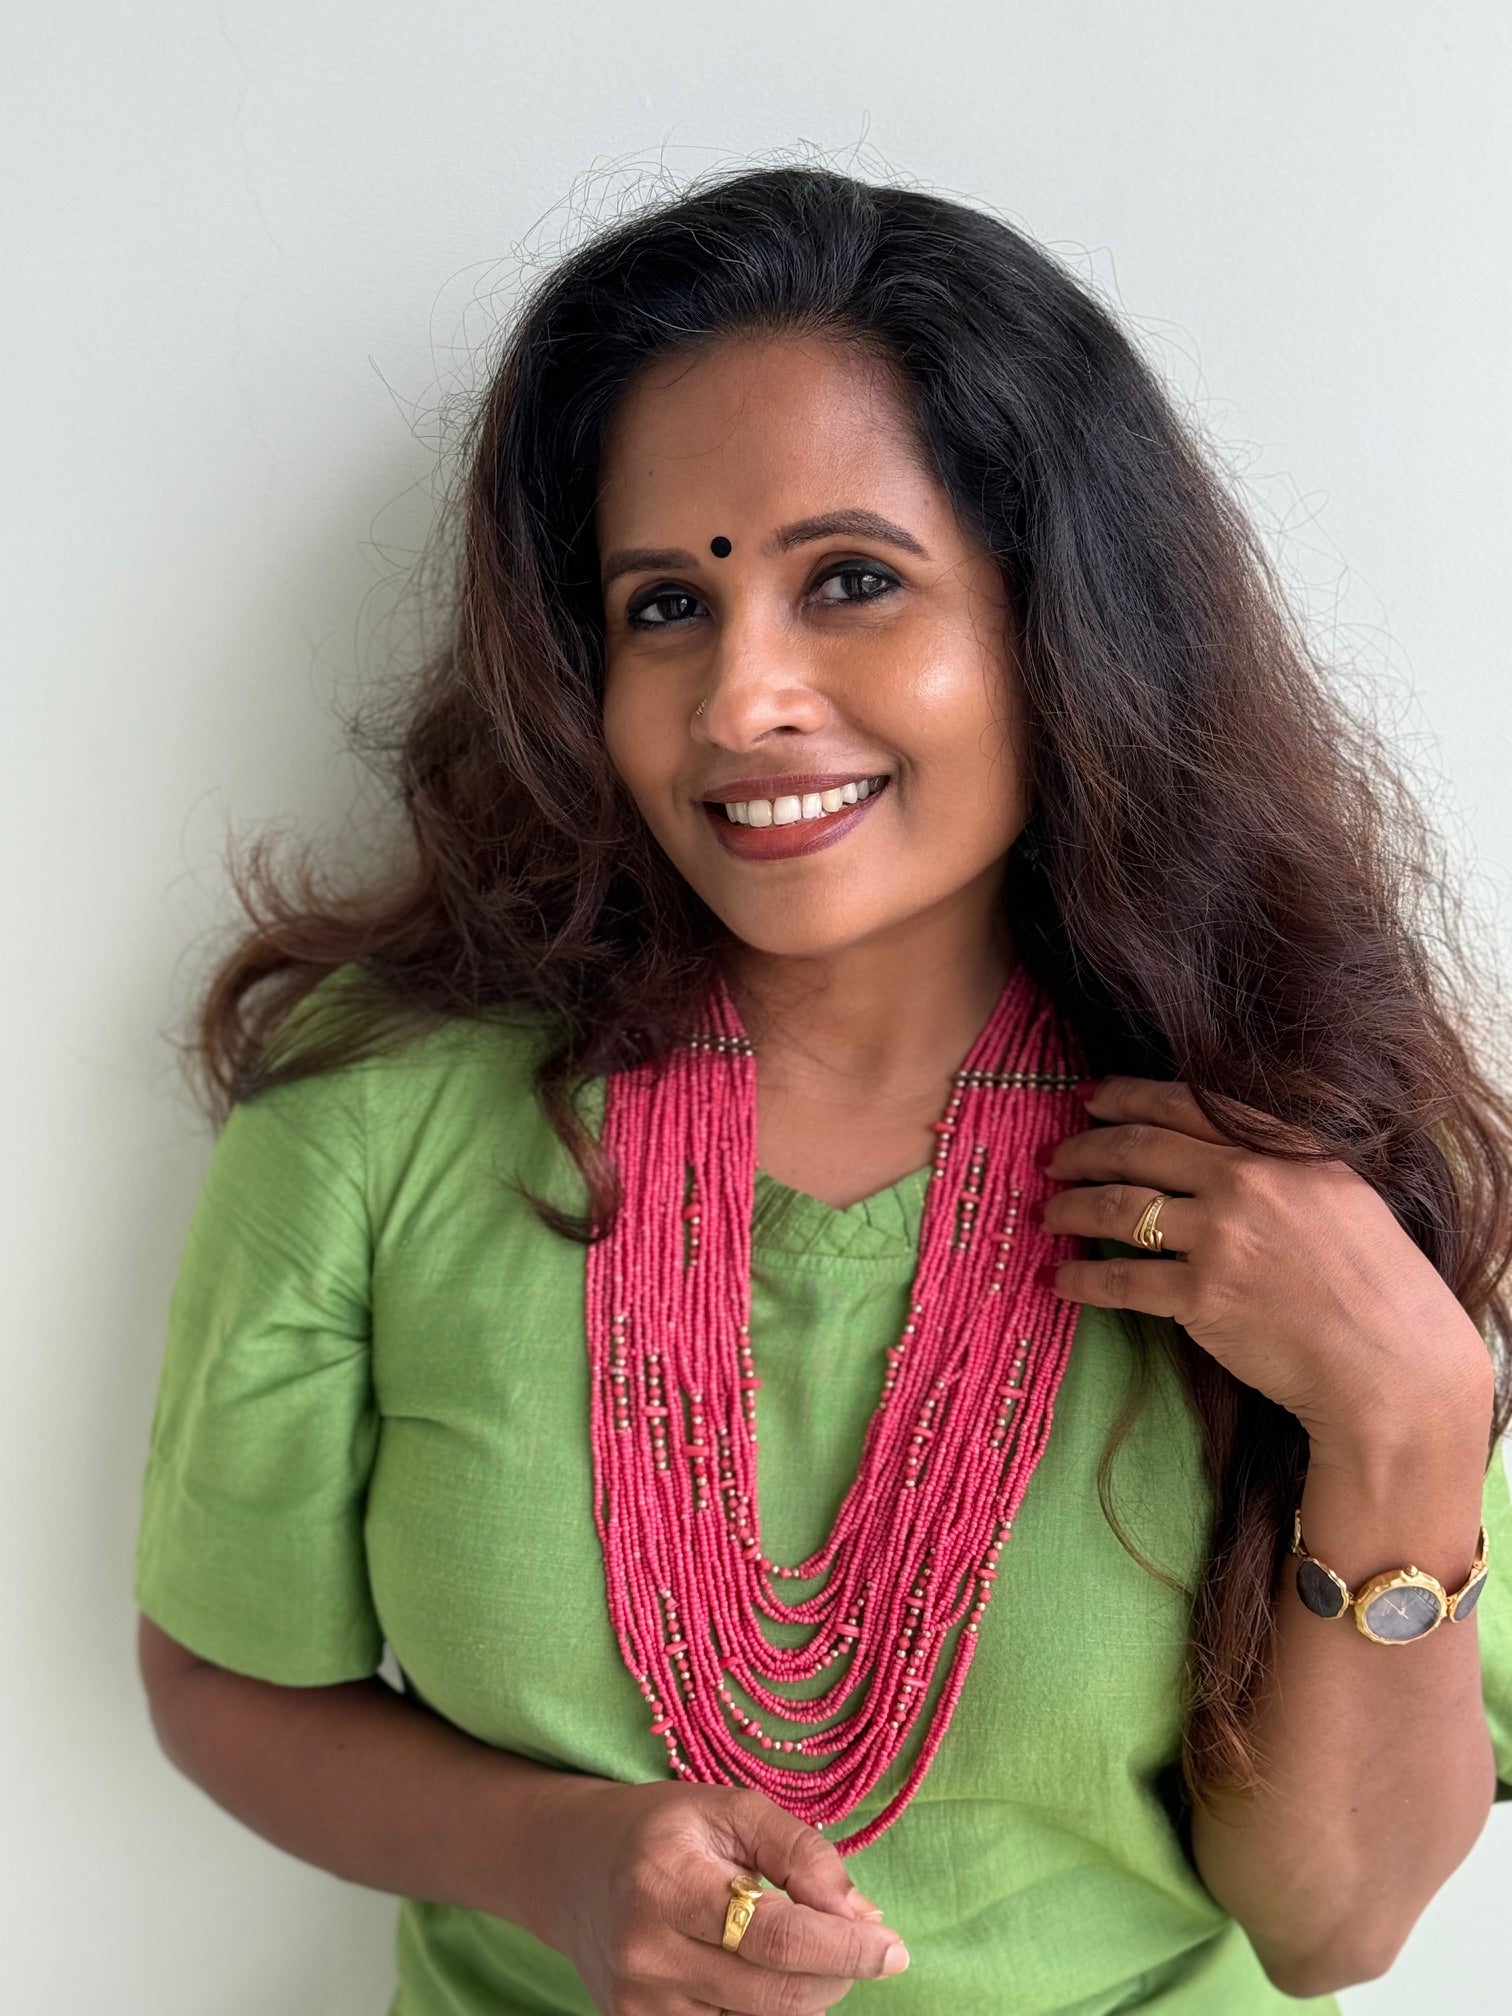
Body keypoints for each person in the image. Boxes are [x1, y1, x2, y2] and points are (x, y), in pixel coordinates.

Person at [133, 163, 1512, 2016]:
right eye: (665, 606)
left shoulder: (1288, 1135)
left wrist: (1408, 1415)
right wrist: (548, 1855)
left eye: (850, 580)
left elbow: (1331, 1925)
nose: (740, 699)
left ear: (1060, 615)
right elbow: (222, 1675)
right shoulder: (379, 1111)